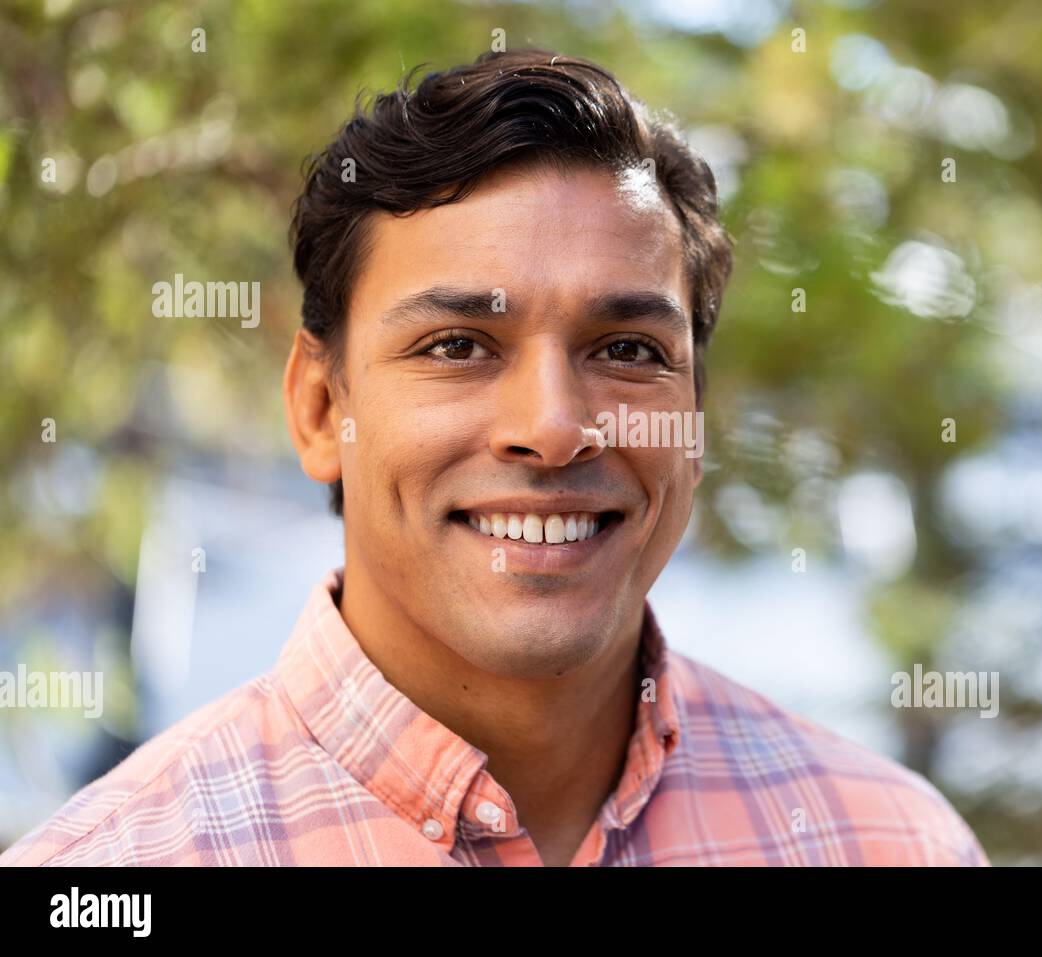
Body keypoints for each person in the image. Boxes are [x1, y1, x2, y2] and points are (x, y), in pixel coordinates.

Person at [1, 49, 988, 867]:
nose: (554, 429)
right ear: (316, 407)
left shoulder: (887, 841)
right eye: (457, 347)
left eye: (628, 351)